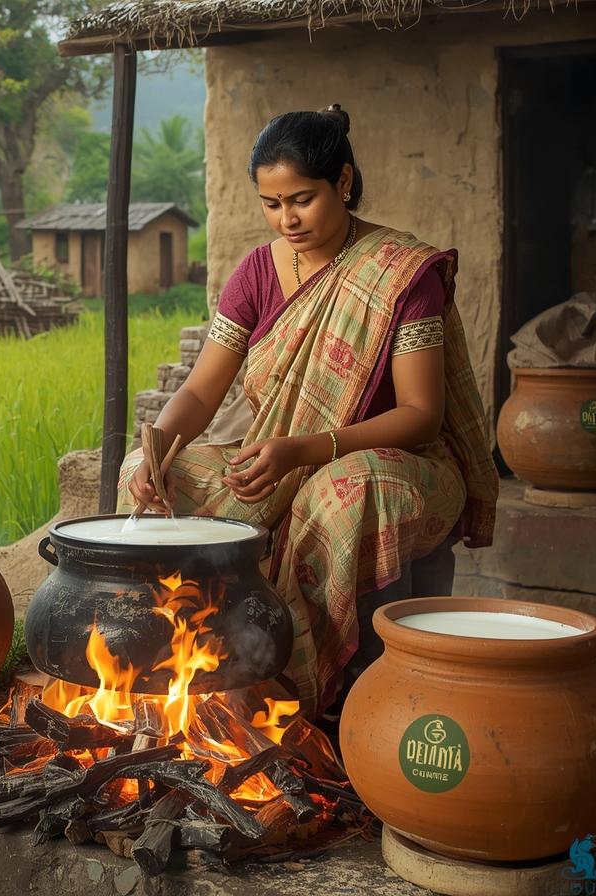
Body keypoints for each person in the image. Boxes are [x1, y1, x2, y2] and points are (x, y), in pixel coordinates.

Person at [119, 104, 499, 718]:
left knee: (344, 491)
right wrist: (159, 447)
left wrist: (305, 450)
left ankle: (329, 697)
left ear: (343, 182)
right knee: (154, 474)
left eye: (302, 199)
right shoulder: (256, 272)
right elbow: (199, 392)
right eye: (271, 204)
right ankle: (188, 671)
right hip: (281, 456)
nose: (286, 219)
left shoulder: (401, 275)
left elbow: (423, 415)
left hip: (401, 465)